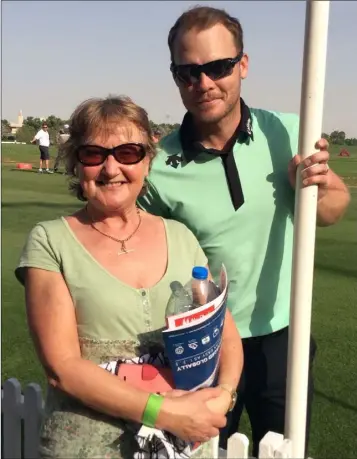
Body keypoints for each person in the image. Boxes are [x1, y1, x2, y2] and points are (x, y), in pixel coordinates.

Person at [137, 6, 351, 456]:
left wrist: (315, 186)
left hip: (283, 334)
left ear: (244, 65)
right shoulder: (159, 166)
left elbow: (332, 209)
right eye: (188, 72)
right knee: (200, 452)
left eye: (218, 67)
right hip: (203, 340)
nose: (204, 83)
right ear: (175, 77)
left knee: (286, 449)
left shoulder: (290, 132)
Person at [15, 95, 243, 458]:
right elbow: (64, 368)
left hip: (178, 448)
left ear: (147, 162)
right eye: (93, 154)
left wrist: (225, 396)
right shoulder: (50, 241)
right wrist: (166, 413)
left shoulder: (180, 237)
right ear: (76, 164)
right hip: (87, 447)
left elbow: (225, 332)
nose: (110, 168)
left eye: (127, 153)